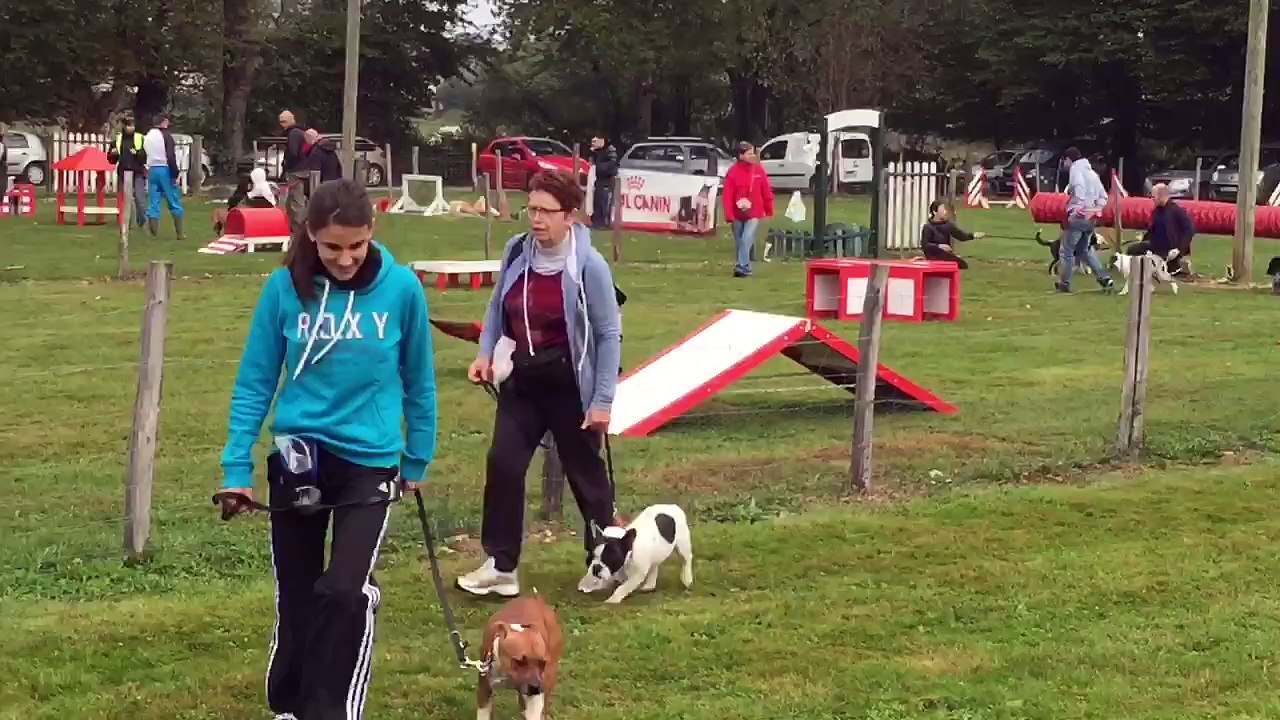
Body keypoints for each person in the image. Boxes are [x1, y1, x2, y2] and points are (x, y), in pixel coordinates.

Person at [216, 178, 438, 720]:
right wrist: (235, 466)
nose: (344, 258)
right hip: (300, 453)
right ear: (310, 234)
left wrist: (417, 457)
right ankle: (289, 704)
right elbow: (255, 382)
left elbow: (419, 379)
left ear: (372, 233)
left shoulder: (402, 288)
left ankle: (331, 710)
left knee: (343, 591)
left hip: (371, 459)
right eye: (332, 246)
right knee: (297, 590)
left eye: (356, 246)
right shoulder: (282, 289)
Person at [457, 169, 622, 598]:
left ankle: (606, 562)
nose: (536, 219)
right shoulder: (517, 252)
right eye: (531, 209)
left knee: (586, 477)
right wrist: (484, 354)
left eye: (546, 212)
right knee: (504, 464)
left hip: (571, 384)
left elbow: (607, 334)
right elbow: (496, 308)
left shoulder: (590, 266)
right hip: (524, 380)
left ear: (570, 216)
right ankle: (501, 566)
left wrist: (602, 400)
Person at [1056, 147, 1114, 293]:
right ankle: (1105, 278)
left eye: (1065, 161)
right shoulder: (1092, 173)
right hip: (1090, 218)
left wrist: (1077, 209)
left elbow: (1079, 189)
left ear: (1068, 159)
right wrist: (1094, 210)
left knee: (1066, 251)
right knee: (1085, 250)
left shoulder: (1076, 170)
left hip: (1078, 216)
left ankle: (1065, 282)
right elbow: (1103, 196)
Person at [721, 141, 775, 278]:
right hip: (737, 213)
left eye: (752, 153)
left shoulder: (758, 170)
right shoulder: (732, 173)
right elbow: (727, 195)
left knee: (747, 238)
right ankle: (746, 266)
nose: (752, 156)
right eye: (749, 153)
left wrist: (769, 208)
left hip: (754, 211)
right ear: (741, 156)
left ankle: (742, 266)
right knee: (739, 241)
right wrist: (729, 215)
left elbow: (766, 190)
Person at [1126, 183, 1195, 275]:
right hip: (1155, 246)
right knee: (1132, 250)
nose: (1152, 199)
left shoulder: (1177, 211)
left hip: (1171, 249)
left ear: (1162, 196)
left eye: (1153, 196)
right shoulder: (1156, 211)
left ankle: (1177, 265)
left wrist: (1179, 249)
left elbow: (1189, 230)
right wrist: (1144, 239)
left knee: (1162, 264)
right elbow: (1152, 230)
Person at [143, 113, 184, 240]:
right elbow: (171, 156)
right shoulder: (166, 136)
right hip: (165, 169)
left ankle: (154, 234)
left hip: (152, 170)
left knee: (154, 201)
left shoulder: (148, 135)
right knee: (173, 200)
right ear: (164, 122)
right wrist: (175, 174)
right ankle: (180, 234)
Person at [919, 200, 986, 269]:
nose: (945, 212)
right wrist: (939, 246)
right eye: (942, 209)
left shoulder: (948, 225)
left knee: (962, 264)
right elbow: (925, 245)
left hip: (945, 256)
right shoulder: (928, 227)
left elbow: (961, 236)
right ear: (934, 212)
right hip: (933, 258)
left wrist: (974, 235)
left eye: (945, 209)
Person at [108, 116, 147, 227]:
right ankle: (127, 222)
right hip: (123, 172)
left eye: (133, 125)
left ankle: (142, 221)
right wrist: (112, 154)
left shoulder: (140, 138)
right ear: (124, 126)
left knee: (140, 198)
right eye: (129, 125)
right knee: (125, 199)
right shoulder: (118, 140)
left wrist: (138, 153)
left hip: (137, 172)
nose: (131, 128)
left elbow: (145, 157)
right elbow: (111, 160)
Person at [279, 110, 309, 234]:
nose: (282, 124)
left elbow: (293, 152)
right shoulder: (300, 132)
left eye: (284, 121)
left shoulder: (293, 134)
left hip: (296, 171)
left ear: (292, 120)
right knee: (295, 201)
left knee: (295, 202)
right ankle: (295, 228)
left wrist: (286, 163)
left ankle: (298, 231)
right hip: (302, 169)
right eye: (280, 121)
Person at [588, 133, 618, 228]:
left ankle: (603, 222)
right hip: (599, 179)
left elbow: (611, 165)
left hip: (605, 179)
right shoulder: (599, 152)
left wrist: (599, 168)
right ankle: (597, 221)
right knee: (597, 200)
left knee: (603, 201)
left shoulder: (610, 150)